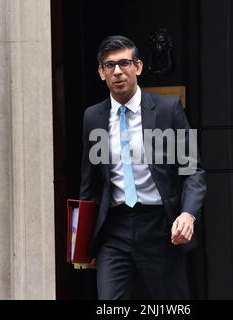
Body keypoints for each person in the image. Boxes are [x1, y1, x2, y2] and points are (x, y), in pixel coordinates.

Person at [79, 35, 206, 300]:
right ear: (101, 72)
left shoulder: (168, 109)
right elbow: (89, 184)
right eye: (109, 65)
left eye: (124, 63)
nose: (118, 71)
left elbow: (192, 169)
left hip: (160, 226)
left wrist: (188, 214)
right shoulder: (93, 117)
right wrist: (84, 243)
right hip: (114, 230)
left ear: (138, 67)